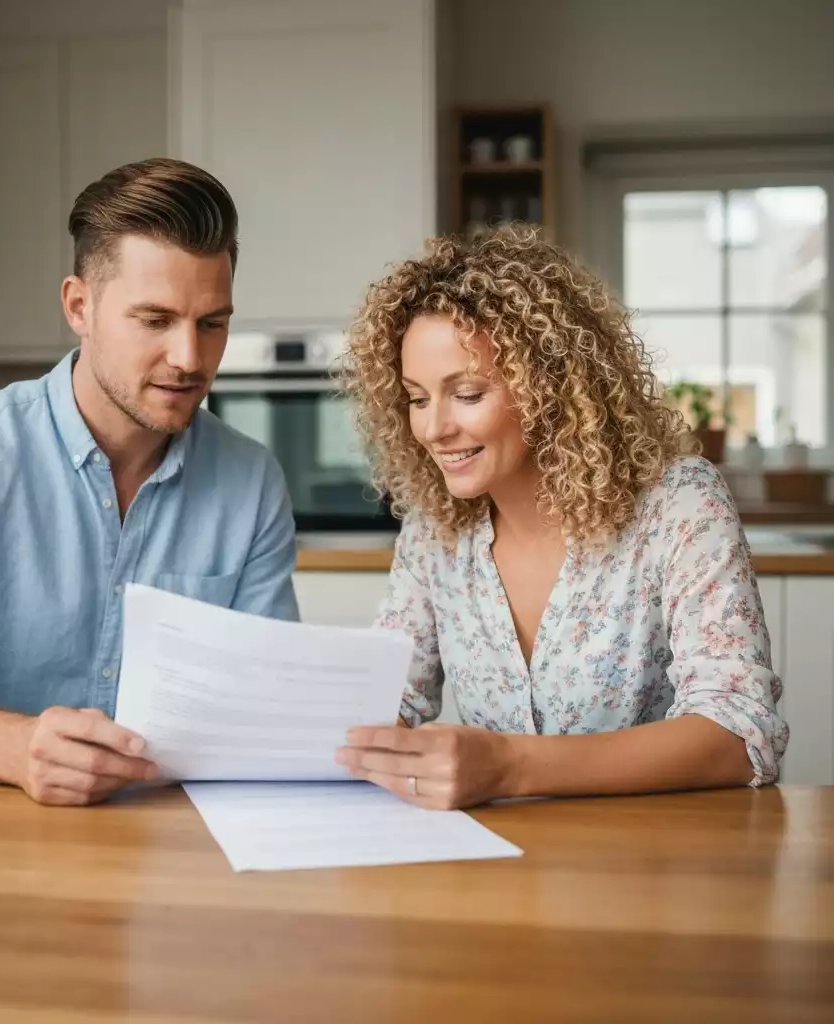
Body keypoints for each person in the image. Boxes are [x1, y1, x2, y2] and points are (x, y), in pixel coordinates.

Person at [0, 158, 299, 805]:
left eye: (212, 323)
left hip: (178, 853)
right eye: (154, 320)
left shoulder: (252, 482)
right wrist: (17, 748)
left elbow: (269, 700)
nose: (190, 358)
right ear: (79, 306)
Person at [336, 224, 787, 809]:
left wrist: (505, 766)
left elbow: (740, 734)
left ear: (550, 386)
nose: (433, 428)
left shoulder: (677, 505)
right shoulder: (434, 527)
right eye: (417, 398)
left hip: (652, 870)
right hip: (490, 868)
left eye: (467, 393)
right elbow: (386, 697)